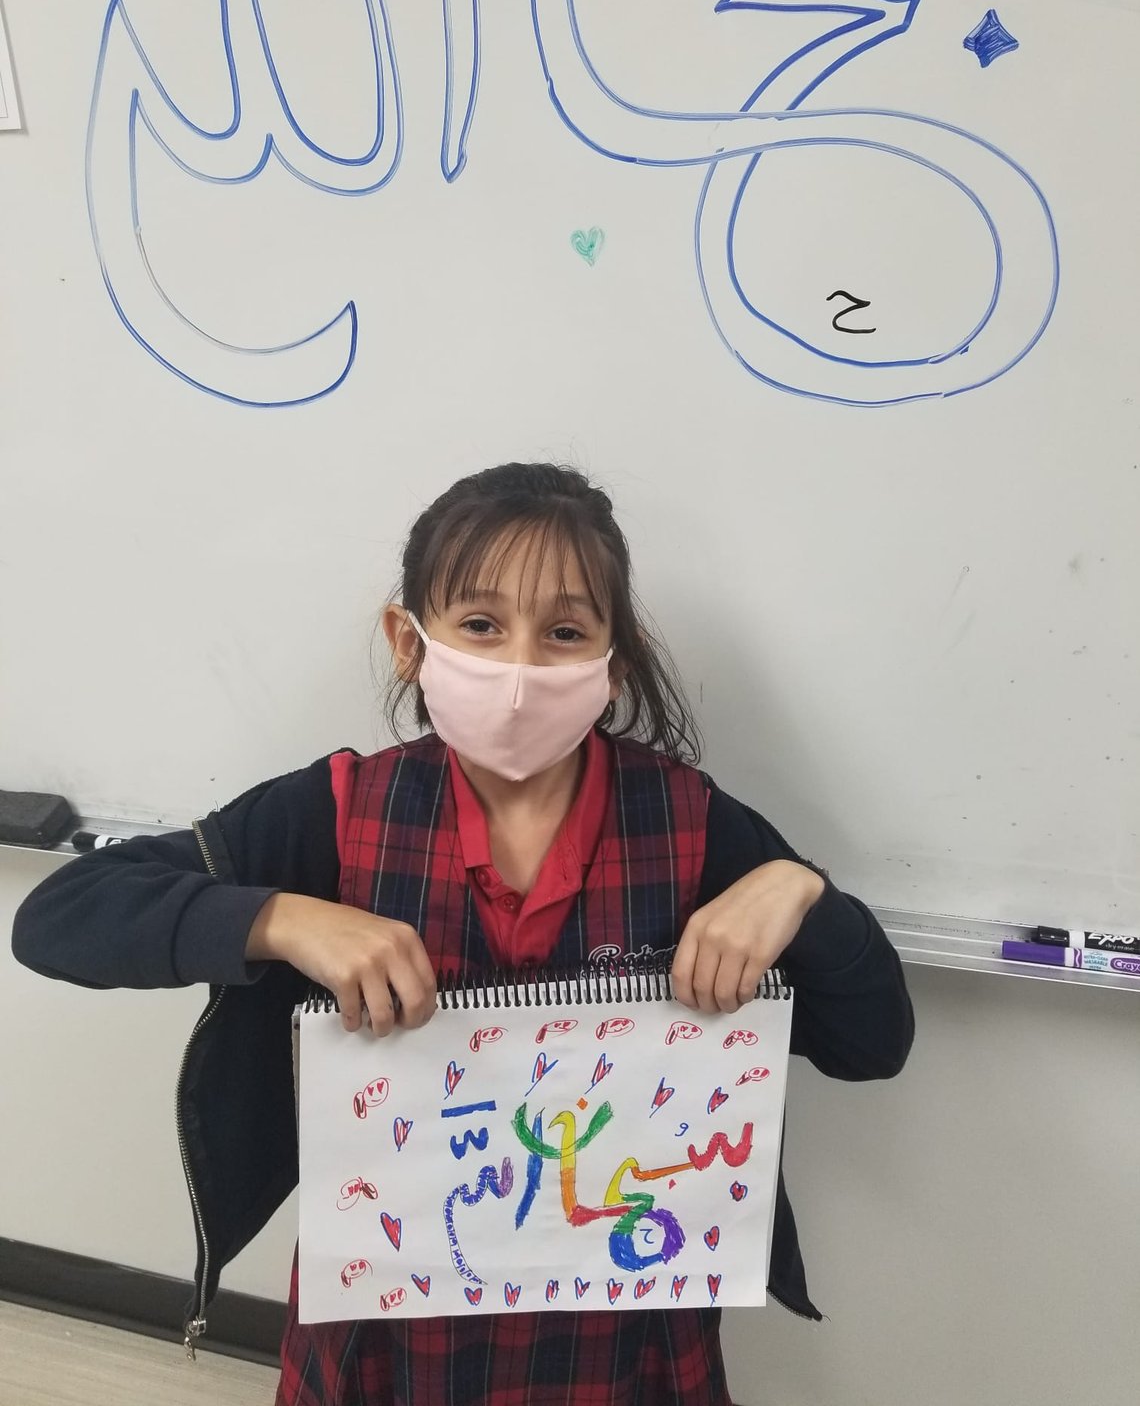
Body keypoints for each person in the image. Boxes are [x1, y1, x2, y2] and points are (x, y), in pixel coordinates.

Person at [12, 461, 915, 1406]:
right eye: (481, 624)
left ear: (613, 663)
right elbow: (59, 917)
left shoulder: (691, 825)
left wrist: (802, 894)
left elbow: (874, 1043)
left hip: (622, 1343)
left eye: (565, 632)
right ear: (410, 641)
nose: (520, 669)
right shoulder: (337, 811)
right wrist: (282, 919)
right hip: (388, 1338)